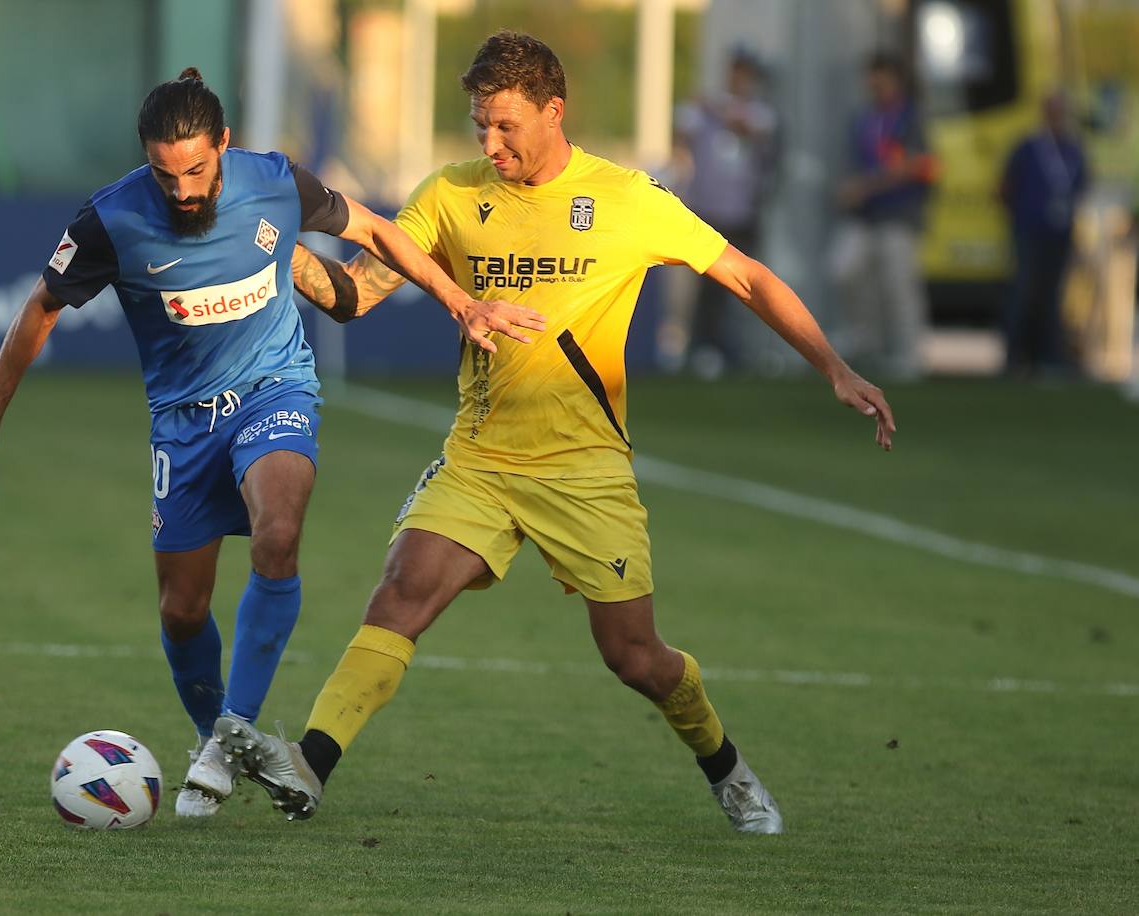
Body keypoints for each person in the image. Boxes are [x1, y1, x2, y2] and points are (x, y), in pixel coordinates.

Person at [218, 32, 895, 834]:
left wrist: (834, 368)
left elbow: (744, 274)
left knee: (635, 658)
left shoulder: (624, 199)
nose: (490, 142)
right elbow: (354, 295)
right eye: (479, 125)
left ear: (553, 111)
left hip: (585, 469)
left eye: (506, 125)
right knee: (400, 593)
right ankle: (310, 767)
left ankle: (728, 768)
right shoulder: (447, 196)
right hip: (481, 456)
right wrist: (272, 249)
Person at [0, 68, 542, 820]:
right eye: (165, 174)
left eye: (196, 169)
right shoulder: (110, 220)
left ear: (223, 144)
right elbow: (40, 308)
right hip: (182, 425)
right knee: (182, 611)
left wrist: (460, 303)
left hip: (274, 392)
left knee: (277, 536)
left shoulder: (275, 181)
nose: (182, 190)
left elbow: (378, 231)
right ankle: (212, 733)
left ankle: (230, 734)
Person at [667, 47, 778, 376]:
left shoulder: (759, 112)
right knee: (706, 290)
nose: (739, 78)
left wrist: (714, 108)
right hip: (707, 214)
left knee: (747, 286)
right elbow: (682, 132)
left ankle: (742, 353)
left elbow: (750, 128)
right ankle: (701, 350)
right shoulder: (704, 108)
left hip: (742, 215)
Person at [828, 51, 936, 381]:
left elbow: (917, 164)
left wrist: (866, 185)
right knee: (843, 269)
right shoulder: (863, 117)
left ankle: (908, 357)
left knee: (898, 286)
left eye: (881, 76)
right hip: (866, 215)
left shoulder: (909, 117)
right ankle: (865, 340)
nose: (874, 83)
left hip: (899, 212)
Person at [999, 92, 1088, 375]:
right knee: (1024, 290)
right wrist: (1018, 217)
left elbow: (1081, 185)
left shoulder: (1073, 149)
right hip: (1029, 229)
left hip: (1059, 233)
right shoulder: (1028, 147)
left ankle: (1049, 356)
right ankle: (1015, 356)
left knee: (1053, 295)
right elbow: (1005, 186)